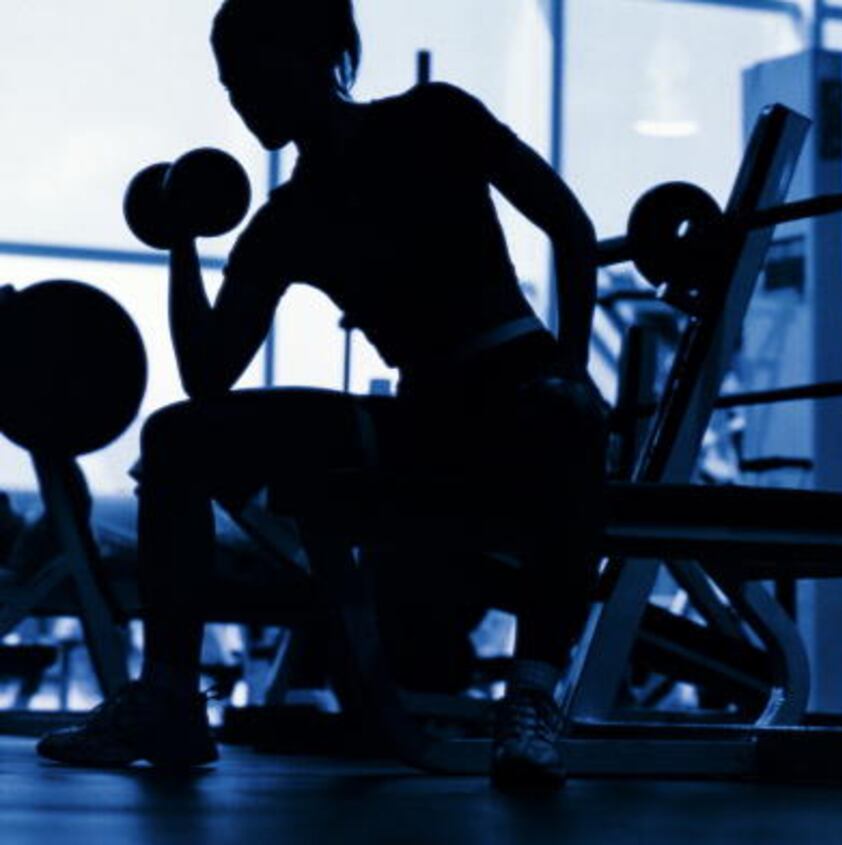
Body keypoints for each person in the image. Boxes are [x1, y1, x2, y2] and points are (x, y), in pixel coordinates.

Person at [37, 0, 605, 790]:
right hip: (423, 417)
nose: (239, 100)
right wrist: (181, 242)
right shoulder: (286, 218)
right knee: (177, 437)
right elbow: (208, 375)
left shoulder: (435, 117)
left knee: (557, 428)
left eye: (249, 75)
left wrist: (573, 370)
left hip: (520, 388)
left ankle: (533, 698)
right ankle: (169, 692)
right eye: (228, 86)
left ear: (316, 52)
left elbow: (570, 228)